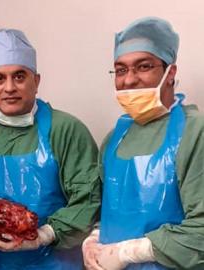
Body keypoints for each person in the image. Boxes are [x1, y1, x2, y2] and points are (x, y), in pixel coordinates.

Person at [0, 28, 101, 270]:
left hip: (56, 264)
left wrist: (44, 234)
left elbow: (89, 200)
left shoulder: (65, 130)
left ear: (36, 80)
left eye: (19, 76)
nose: (9, 87)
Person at [82, 17, 204, 270]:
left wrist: (130, 252)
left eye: (143, 66)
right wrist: (94, 238)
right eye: (121, 69)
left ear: (170, 73)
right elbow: (104, 210)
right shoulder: (114, 139)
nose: (129, 80)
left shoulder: (195, 132)